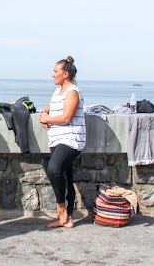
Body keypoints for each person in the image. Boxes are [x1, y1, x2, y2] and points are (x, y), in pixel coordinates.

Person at [39, 56, 85, 228]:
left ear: (65, 74)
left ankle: (61, 206)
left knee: (53, 170)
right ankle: (67, 218)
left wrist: (48, 119)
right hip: (57, 138)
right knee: (66, 176)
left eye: (55, 71)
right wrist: (44, 114)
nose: (52, 75)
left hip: (71, 139)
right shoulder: (58, 92)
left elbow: (66, 118)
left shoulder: (72, 91)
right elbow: (50, 106)